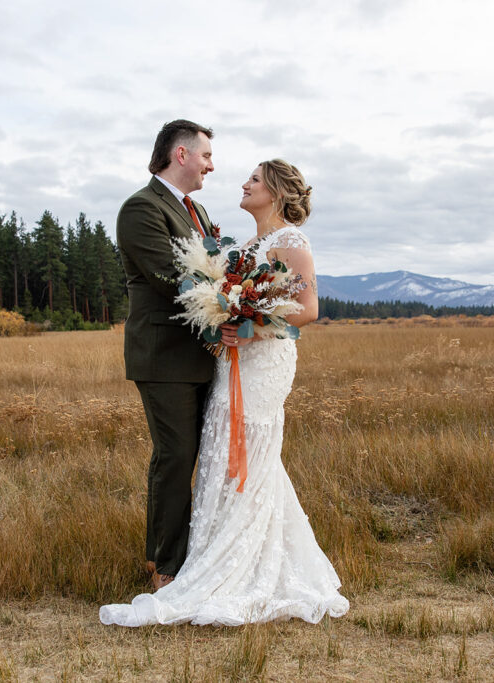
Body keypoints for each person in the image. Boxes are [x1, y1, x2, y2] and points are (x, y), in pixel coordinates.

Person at [101, 159, 350, 626]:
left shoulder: (291, 241)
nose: (243, 183)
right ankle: (219, 559)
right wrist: (228, 318)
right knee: (218, 451)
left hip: (263, 363)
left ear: (274, 191)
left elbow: (309, 308)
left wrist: (252, 327)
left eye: (253, 179)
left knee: (251, 454)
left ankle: (247, 569)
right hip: (230, 363)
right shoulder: (247, 246)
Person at [116, 119, 217, 591]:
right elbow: (170, 277)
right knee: (176, 456)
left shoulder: (196, 211)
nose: (210, 166)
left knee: (204, 453)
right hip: (164, 356)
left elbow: (217, 264)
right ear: (181, 155)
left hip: (203, 354)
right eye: (205, 156)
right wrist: (232, 300)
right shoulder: (140, 208)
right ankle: (164, 566)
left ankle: (199, 553)